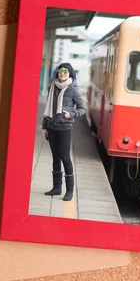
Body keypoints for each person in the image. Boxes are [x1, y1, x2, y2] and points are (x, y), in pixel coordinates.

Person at [42, 62, 86, 201]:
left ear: (70, 74)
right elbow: (47, 110)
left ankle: (70, 191)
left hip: (65, 128)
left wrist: (71, 114)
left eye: (65, 72)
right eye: (60, 71)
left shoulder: (73, 89)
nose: (62, 74)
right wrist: (44, 127)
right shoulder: (52, 86)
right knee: (55, 157)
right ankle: (57, 188)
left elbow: (82, 109)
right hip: (51, 127)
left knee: (65, 158)